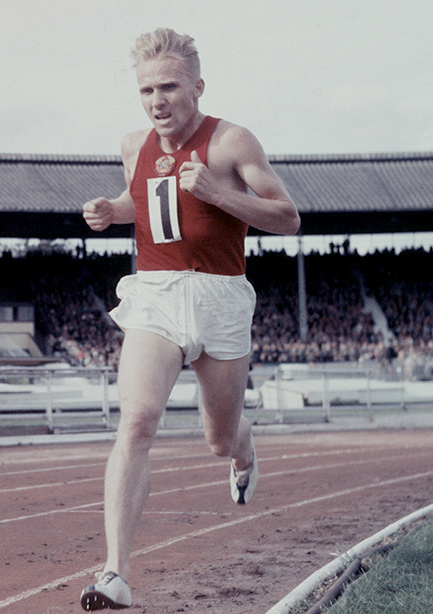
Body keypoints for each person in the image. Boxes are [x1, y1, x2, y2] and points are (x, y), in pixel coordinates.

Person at [79, 28, 300, 610]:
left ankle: (245, 448)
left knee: (217, 438)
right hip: (154, 292)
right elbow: (147, 201)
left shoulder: (231, 142)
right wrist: (112, 210)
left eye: (169, 87)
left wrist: (218, 194)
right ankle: (115, 574)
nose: (157, 100)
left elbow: (287, 217)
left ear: (197, 86)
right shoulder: (133, 146)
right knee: (138, 420)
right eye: (147, 90)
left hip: (221, 297)